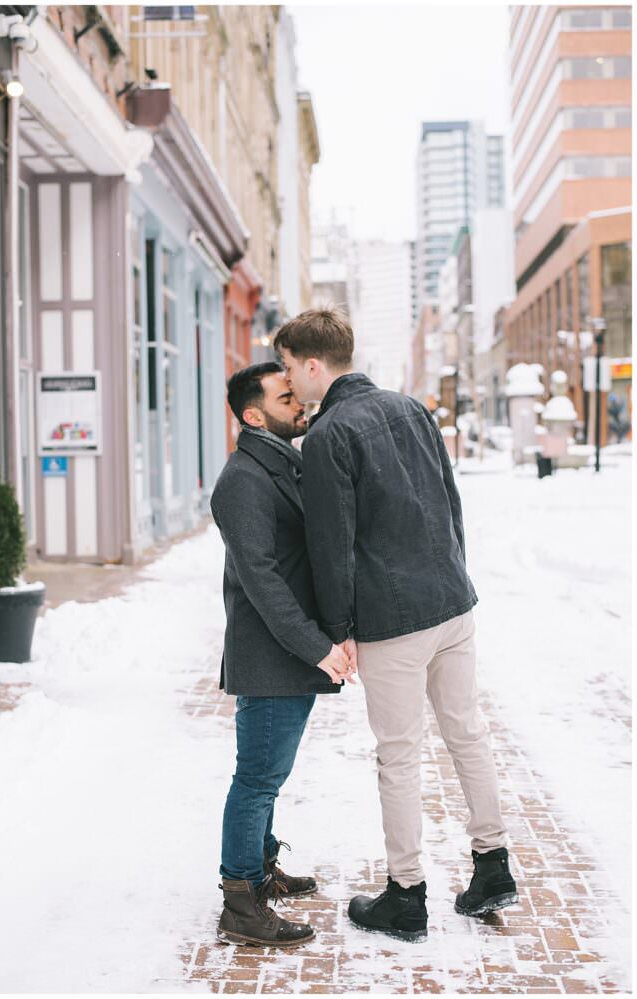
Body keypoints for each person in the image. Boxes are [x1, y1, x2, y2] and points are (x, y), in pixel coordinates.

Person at [274, 309, 518, 943]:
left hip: (392, 618)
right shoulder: (412, 408)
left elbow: (332, 543)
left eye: (288, 368)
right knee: (467, 734)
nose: (288, 383)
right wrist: (454, 573)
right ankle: (493, 866)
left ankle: (406, 895)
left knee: (400, 755)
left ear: (312, 364)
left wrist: (338, 628)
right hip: (451, 603)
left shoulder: (329, 434)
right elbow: (450, 501)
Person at [210, 362, 355, 948]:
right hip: (272, 655)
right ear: (253, 414)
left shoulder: (279, 462)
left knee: (268, 775)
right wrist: (317, 647)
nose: (299, 403)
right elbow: (262, 581)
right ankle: (241, 902)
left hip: (287, 653)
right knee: (258, 778)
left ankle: (261, 864)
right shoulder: (243, 479)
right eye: (285, 396)